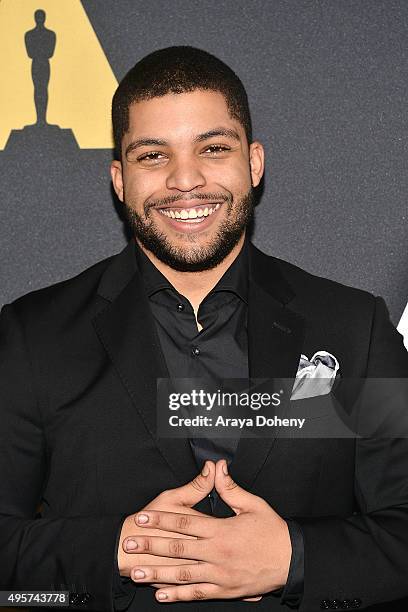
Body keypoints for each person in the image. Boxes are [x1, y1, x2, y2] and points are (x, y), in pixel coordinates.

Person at [0, 45, 407, 612]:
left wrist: (294, 558)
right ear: (120, 179)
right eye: (152, 156)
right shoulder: (31, 335)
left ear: (254, 163)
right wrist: (122, 548)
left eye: (213, 149)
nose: (184, 180)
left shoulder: (351, 328)